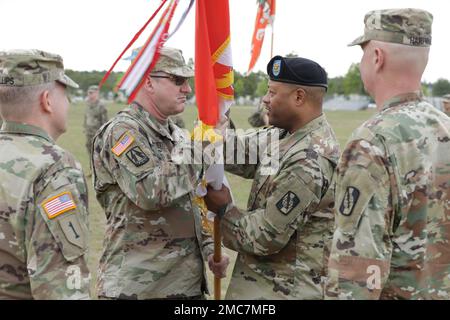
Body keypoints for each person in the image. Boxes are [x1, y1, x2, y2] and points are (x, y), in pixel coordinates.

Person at [326, 8, 450, 300]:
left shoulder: (373, 142)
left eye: (363, 53)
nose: (360, 63)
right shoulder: (445, 126)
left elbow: (355, 273)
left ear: (377, 57)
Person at [92, 47, 228, 300]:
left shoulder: (176, 133)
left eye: (187, 81)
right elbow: (150, 191)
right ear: (148, 82)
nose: (187, 89)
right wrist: (204, 149)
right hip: (139, 288)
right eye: (178, 80)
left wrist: (209, 248)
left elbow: (190, 201)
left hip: (184, 286)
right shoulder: (124, 131)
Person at [204, 56, 340, 299]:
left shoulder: (307, 159)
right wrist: (211, 132)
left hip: (283, 292)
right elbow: (238, 152)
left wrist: (224, 210)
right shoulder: (284, 135)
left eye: (272, 92)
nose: (264, 99)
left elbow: (265, 237)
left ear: (299, 97)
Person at [0, 49, 91, 299]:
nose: (69, 102)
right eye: (66, 93)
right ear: (47, 100)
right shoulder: (54, 168)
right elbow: (60, 288)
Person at [84, 84, 107, 167]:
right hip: (89, 132)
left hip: (97, 133)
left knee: (98, 151)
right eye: (88, 93)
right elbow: (86, 117)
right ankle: (92, 167)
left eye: (91, 93)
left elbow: (104, 121)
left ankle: (100, 168)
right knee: (89, 149)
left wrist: (102, 134)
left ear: (97, 93)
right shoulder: (88, 104)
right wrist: (85, 128)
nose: (89, 95)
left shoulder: (101, 105)